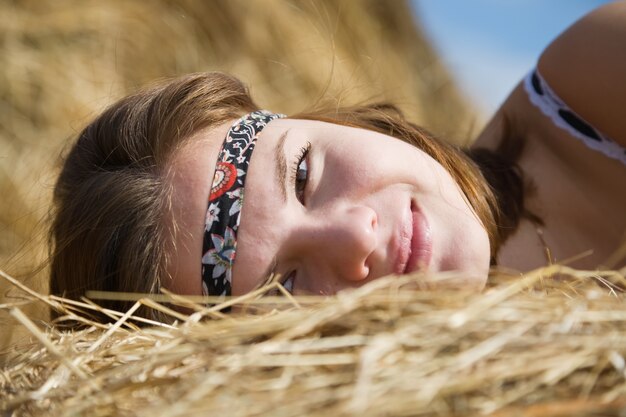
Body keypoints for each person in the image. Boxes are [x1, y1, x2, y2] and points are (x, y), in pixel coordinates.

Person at [49, 3, 625, 319]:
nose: (355, 237)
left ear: (332, 122)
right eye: (284, 286)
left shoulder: (590, 89)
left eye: (302, 174)